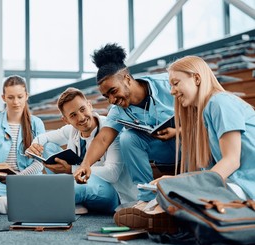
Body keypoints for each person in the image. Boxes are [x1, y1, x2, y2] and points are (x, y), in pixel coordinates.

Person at [114, 55, 255, 232]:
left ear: (196, 78)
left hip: (247, 186)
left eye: (175, 83)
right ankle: (164, 214)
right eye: (171, 85)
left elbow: (231, 161)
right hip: (236, 184)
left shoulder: (220, 102)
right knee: (174, 187)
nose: (172, 91)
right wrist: (180, 181)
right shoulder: (203, 114)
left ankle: (162, 214)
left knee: (180, 189)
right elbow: (206, 172)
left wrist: (182, 182)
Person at [74, 43, 176, 203]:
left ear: (127, 79)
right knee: (128, 138)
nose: (112, 100)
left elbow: (202, 114)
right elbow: (102, 139)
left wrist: (179, 131)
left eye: (113, 91)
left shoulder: (169, 84)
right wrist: (85, 165)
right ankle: (147, 199)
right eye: (106, 96)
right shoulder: (117, 110)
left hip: (190, 148)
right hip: (162, 155)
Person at [26, 87, 137, 214]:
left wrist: (70, 169)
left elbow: (112, 174)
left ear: (89, 106)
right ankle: (72, 201)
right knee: (48, 146)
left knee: (78, 187)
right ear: (66, 120)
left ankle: (37, 204)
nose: (81, 118)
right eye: (73, 115)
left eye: (82, 109)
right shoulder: (71, 130)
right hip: (78, 181)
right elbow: (44, 137)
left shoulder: (111, 128)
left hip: (113, 192)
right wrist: (35, 145)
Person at [0, 75, 45, 214]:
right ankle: (15, 202)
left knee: (44, 187)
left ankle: (0, 203)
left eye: (20, 97)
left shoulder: (37, 124)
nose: (16, 102)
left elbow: (39, 163)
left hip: (27, 179)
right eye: (10, 97)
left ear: (26, 96)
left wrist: (19, 179)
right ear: (3, 98)